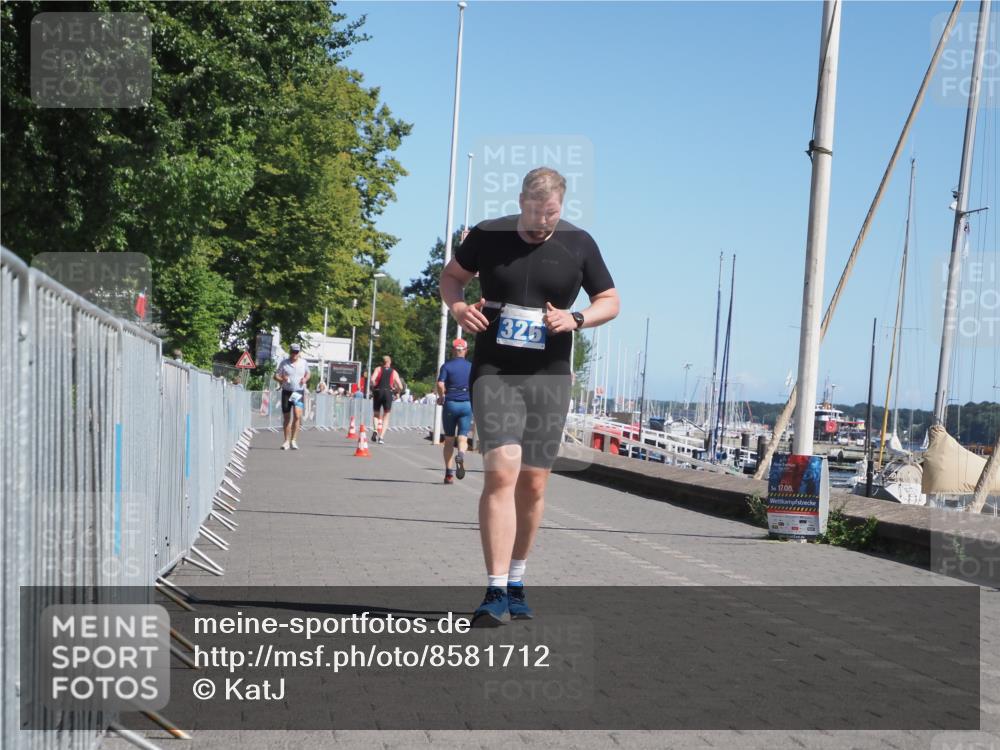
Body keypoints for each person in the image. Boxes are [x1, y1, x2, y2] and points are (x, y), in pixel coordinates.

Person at [439, 167, 619, 626]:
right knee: (501, 473)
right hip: (495, 371)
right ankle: (494, 589)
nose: (543, 223)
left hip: (549, 375)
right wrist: (459, 307)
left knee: (534, 483)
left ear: (563, 206)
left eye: (552, 214)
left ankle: (517, 580)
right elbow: (452, 278)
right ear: (521, 201)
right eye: (536, 213)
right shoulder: (487, 235)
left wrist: (578, 320)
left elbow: (611, 300)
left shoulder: (579, 243)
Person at [437, 338, 473, 484]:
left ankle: (449, 474)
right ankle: (462, 454)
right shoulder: (472, 366)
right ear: (465, 351)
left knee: (449, 440)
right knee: (463, 437)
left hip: (451, 403)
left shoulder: (447, 366)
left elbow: (440, 384)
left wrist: (441, 397)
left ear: (453, 350)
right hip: (466, 403)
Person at [274, 343, 311, 450]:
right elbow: (276, 376)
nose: (294, 354)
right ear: (290, 352)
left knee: (297, 415)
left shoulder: (303, 362)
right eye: (293, 352)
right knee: (286, 417)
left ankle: (293, 440)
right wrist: (282, 379)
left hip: (297, 392)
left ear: (299, 353)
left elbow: (308, 373)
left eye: (296, 352)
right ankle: (286, 441)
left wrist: (305, 379)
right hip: (286, 391)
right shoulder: (284, 363)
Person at [369, 355, 403, 443]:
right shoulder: (394, 372)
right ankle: (381, 437)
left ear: (382, 362)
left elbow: (372, 380)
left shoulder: (378, 369)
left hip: (378, 391)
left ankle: (375, 430)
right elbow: (400, 386)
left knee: (376, 413)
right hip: (388, 392)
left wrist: (374, 386)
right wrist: (397, 391)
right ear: (390, 362)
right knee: (386, 416)